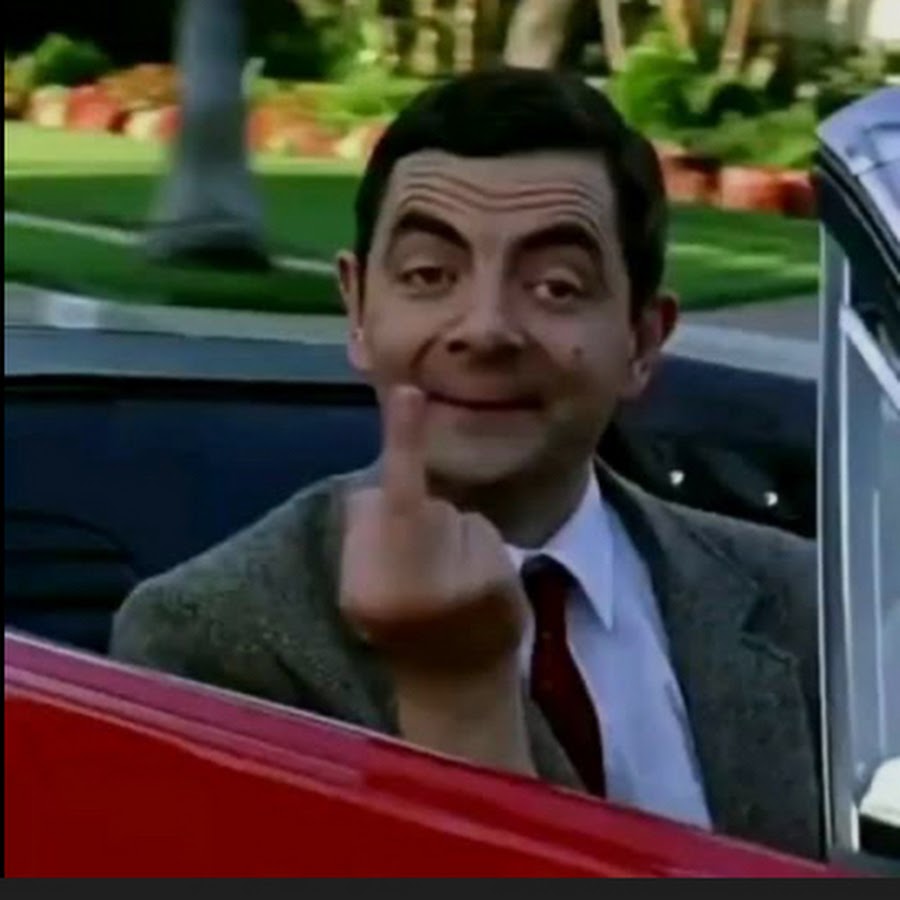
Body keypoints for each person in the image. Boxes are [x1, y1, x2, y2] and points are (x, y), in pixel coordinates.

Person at [110, 68, 823, 860]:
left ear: (644, 341)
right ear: (358, 309)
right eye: (429, 276)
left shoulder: (809, 601)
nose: (484, 329)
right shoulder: (210, 641)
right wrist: (458, 697)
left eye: (556, 287)